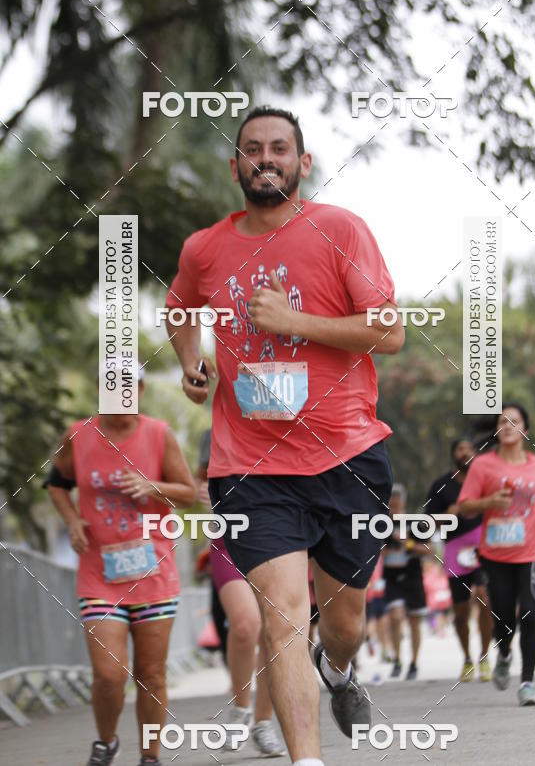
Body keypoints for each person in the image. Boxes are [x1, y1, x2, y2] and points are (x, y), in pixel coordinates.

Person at [166, 106, 404, 766]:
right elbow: (180, 312)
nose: (264, 157)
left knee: (345, 621)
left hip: (349, 455)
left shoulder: (340, 231)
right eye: (251, 149)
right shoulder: (205, 247)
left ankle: (340, 667)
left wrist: (298, 319)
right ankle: (308, 760)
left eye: (279, 148)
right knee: (282, 615)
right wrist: (191, 361)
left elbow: (389, 332)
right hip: (251, 465)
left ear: (303, 164)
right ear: (235, 165)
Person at [46, 363, 196, 766]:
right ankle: (107, 741)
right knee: (110, 675)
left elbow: (189, 493)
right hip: (100, 575)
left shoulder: (159, 434)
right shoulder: (77, 436)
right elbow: (56, 485)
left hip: (153, 573)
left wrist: (154, 486)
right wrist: (73, 519)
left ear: (141, 389)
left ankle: (149, 755)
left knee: (152, 675)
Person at [457, 402, 535, 706]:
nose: (508, 426)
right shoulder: (483, 465)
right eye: (503, 421)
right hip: (495, 555)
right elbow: (464, 505)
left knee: (529, 615)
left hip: (534, 553)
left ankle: (527, 683)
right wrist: (488, 501)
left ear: (525, 430)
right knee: (503, 618)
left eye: (514, 421)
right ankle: (503, 652)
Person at [196, 429, 285, 757]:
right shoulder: (215, 431)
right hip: (228, 538)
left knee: (274, 632)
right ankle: (240, 709)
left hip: (278, 537)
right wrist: (202, 490)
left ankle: (263, 723)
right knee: (245, 624)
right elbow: (198, 477)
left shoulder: (286, 423)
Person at [425, 438, 493, 681]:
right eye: (459, 450)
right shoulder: (442, 485)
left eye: (468, 449)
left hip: (485, 547)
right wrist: (447, 514)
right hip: (455, 551)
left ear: (476, 453)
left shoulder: (485, 480)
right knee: (461, 610)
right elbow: (427, 523)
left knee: (484, 598)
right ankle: (467, 658)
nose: (464, 453)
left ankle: (485, 656)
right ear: (453, 454)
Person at [383, 484, 429, 680]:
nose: (394, 509)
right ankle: (396, 659)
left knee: (414, 620)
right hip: (392, 577)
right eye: (390, 505)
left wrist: (407, 543)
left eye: (397, 504)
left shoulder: (414, 523)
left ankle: (414, 663)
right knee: (395, 617)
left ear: (403, 503)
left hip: (412, 575)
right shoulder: (381, 524)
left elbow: (428, 550)